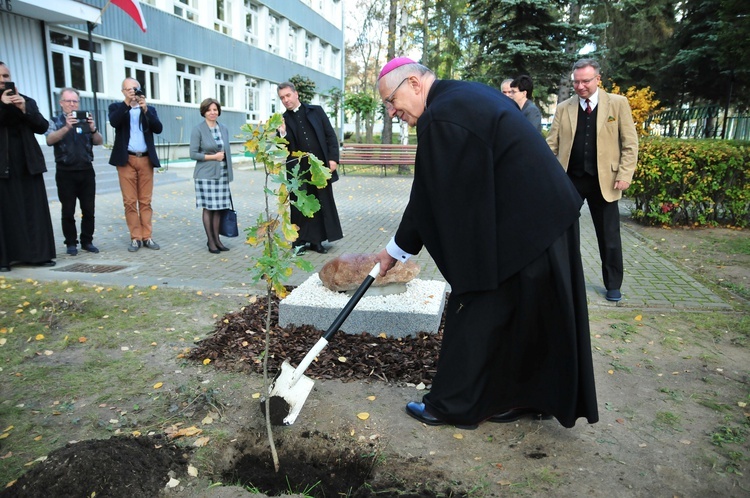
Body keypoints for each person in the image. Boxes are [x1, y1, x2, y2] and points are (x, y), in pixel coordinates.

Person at [374, 57, 598, 429]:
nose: (392, 111)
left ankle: (451, 405)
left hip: (531, 223)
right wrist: (397, 250)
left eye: (392, 101)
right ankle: (529, 398)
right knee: (530, 314)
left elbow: (437, 199)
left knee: (479, 305)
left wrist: (462, 268)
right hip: (540, 218)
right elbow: (431, 191)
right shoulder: (457, 97)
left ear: (414, 83)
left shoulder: (442, 116)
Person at [546, 59, 639, 302]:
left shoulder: (617, 104)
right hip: (570, 181)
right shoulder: (564, 107)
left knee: (609, 236)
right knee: (562, 232)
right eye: (576, 81)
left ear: (598, 79)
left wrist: (624, 174)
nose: (580, 86)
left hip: (605, 182)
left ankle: (613, 284)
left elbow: (630, 143)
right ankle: (564, 280)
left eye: (585, 81)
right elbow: (551, 144)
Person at [0, 61, 56, 272]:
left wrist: (23, 108)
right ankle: (5, 259)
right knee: (5, 214)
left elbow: (42, 127)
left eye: (6, 76)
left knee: (33, 212)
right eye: (0, 78)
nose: (3, 81)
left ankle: (37, 256)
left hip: (27, 164)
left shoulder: (26, 101)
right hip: (3, 167)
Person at [277, 81, 342, 255]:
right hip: (297, 170)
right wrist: (282, 133)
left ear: (296, 94)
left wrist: (333, 159)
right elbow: (284, 148)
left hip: (319, 167)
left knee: (321, 202)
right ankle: (299, 242)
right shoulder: (283, 120)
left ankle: (317, 241)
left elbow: (330, 135)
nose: (286, 100)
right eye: (282, 98)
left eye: (288, 95)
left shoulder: (316, 111)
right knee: (299, 205)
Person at [46, 88, 103, 256]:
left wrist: (92, 129)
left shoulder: (85, 120)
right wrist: (66, 127)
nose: (72, 104)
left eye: (75, 101)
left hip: (86, 170)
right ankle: (71, 243)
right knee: (68, 210)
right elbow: (49, 140)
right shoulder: (55, 121)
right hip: (65, 171)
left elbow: (99, 141)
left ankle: (87, 241)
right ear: (61, 103)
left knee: (89, 209)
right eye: (68, 101)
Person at [108, 77, 163, 252]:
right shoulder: (117, 108)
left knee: (145, 201)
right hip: (126, 160)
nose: (132, 92)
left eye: (135, 89)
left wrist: (145, 109)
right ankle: (135, 238)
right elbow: (114, 122)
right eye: (128, 89)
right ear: (123, 91)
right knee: (130, 202)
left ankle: (147, 236)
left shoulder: (149, 109)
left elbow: (158, 128)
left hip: (146, 159)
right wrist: (127, 103)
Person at [189, 98, 234, 254]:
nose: (212, 112)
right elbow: (193, 154)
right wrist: (213, 157)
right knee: (209, 208)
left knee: (219, 208)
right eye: (209, 110)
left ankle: (218, 240)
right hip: (205, 175)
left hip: (222, 174)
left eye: (215, 109)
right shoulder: (198, 129)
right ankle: (211, 242)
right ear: (204, 112)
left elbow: (227, 151)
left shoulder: (224, 128)